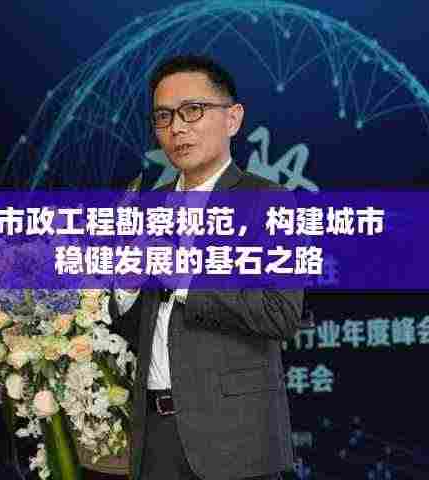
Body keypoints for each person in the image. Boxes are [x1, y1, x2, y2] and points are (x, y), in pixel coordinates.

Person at [110, 54, 303, 480]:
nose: (177, 128)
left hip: (235, 439)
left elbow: (281, 313)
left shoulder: (269, 201)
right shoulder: (146, 206)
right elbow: (128, 332)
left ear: (233, 118)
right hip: (154, 438)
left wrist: (182, 279)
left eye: (192, 110)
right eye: (163, 117)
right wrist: (126, 285)